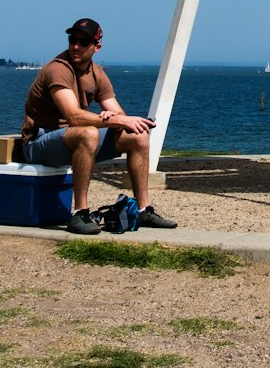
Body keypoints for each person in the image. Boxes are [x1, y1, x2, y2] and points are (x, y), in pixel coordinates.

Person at [21, 17, 177, 234]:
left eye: (83, 42)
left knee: (138, 136)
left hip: (70, 138)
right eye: (72, 39)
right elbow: (73, 116)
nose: (76, 46)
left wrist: (116, 118)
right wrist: (114, 120)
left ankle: (143, 210)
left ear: (96, 47)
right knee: (88, 133)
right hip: (39, 142)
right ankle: (80, 213)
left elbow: (119, 115)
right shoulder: (57, 69)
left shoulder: (96, 73)